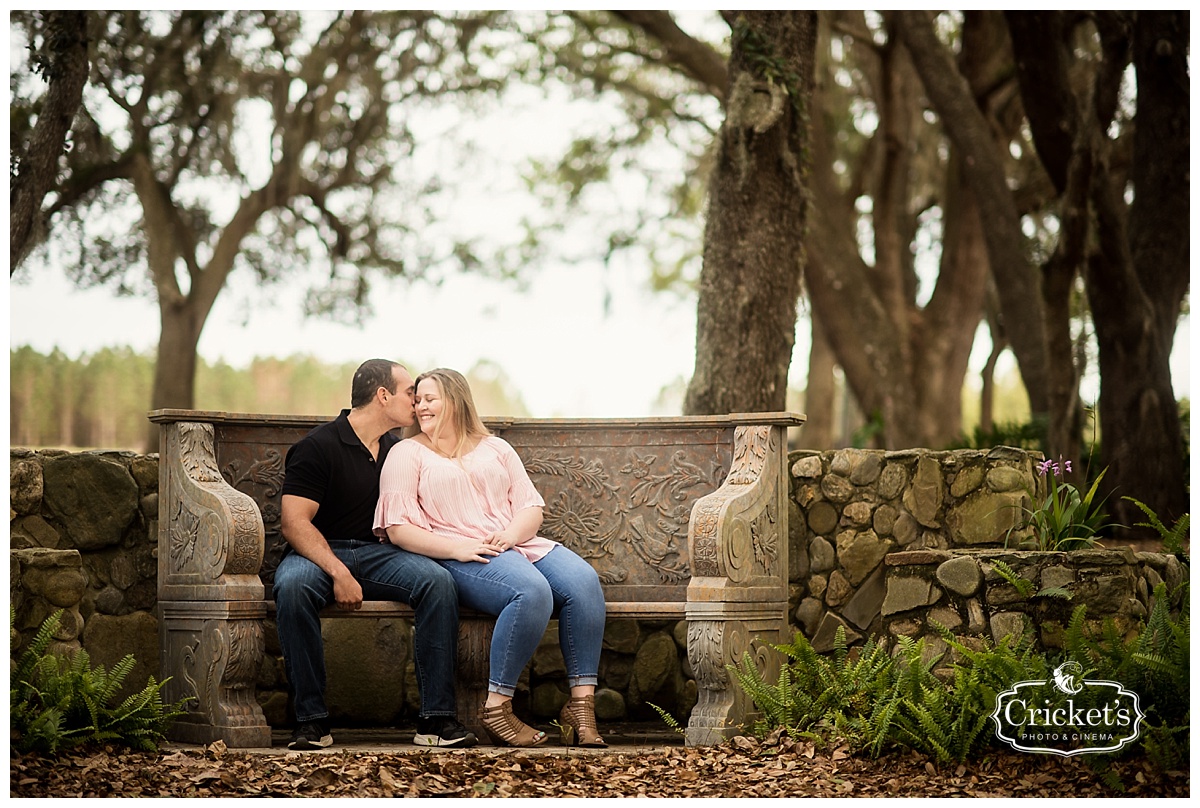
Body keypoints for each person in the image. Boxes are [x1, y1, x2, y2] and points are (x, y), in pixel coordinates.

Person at [373, 368, 608, 748]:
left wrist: (512, 534)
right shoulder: (406, 453)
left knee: (583, 582)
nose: (421, 406)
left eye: (430, 398)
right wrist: (457, 548)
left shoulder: (495, 447)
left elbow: (531, 507)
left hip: (516, 543)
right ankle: (498, 707)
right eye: (418, 400)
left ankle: (581, 708)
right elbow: (398, 529)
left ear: (455, 400)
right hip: (457, 553)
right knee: (530, 592)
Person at [274, 359, 477, 750]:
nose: (417, 405)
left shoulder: (397, 450)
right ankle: (312, 722)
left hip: (381, 554)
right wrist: (337, 572)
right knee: (293, 586)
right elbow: (295, 524)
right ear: (383, 396)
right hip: (320, 551)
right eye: (409, 395)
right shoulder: (318, 446)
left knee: (438, 582)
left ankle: (435, 720)